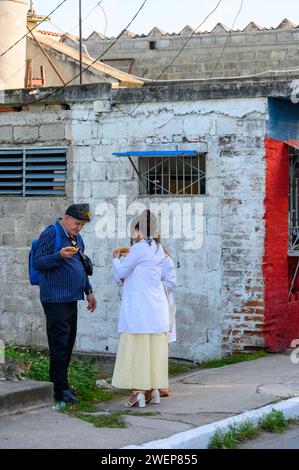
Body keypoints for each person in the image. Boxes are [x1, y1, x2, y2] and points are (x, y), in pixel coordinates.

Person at [111, 209, 176, 407]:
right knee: (153, 350)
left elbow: (122, 271)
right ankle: (153, 390)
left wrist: (115, 258)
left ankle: (138, 391)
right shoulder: (159, 249)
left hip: (139, 309)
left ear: (139, 231)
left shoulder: (138, 249)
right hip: (156, 309)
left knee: (137, 350)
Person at [33, 204, 97, 404]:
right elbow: (39, 262)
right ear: (67, 218)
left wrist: (88, 290)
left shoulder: (76, 238)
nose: (79, 228)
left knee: (68, 343)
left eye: (82, 225)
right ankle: (60, 390)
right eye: (77, 223)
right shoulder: (51, 233)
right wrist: (59, 256)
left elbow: (81, 266)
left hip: (72, 297)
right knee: (59, 344)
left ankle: (62, 384)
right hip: (55, 298)